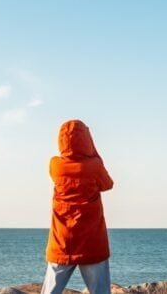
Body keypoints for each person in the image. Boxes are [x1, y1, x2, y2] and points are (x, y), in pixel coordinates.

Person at [41, 119, 114, 294]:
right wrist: (94, 153)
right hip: (91, 241)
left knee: (50, 291)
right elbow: (108, 184)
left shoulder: (55, 165)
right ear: (88, 140)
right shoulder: (94, 166)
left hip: (63, 241)